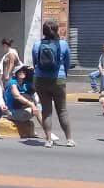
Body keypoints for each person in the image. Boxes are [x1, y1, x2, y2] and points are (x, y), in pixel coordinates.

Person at [31, 20, 73, 148]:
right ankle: (69, 139)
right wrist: (63, 75)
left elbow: (35, 63)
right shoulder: (63, 44)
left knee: (46, 111)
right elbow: (67, 63)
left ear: (43, 31)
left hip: (40, 79)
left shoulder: (37, 45)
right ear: (56, 31)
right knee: (62, 110)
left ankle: (48, 139)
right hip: (58, 79)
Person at [4, 64, 42, 129]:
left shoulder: (26, 84)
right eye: (20, 71)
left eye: (24, 71)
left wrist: (32, 71)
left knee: (39, 107)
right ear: (16, 73)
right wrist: (31, 104)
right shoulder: (12, 82)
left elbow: (36, 85)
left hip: (21, 109)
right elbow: (17, 96)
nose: (22, 73)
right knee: (35, 109)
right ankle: (47, 131)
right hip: (12, 111)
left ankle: (46, 130)